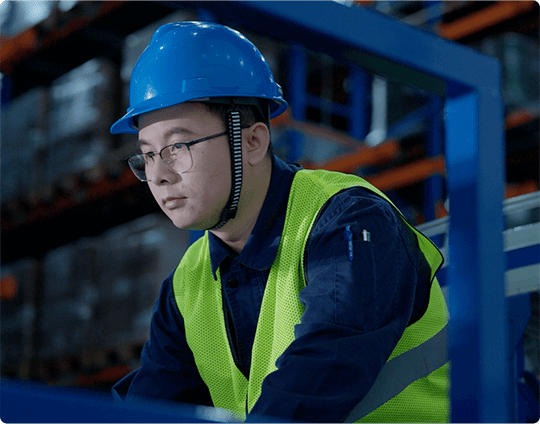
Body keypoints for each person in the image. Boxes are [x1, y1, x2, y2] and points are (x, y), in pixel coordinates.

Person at [110, 21, 449, 423]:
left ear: (252, 141)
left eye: (177, 146)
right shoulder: (187, 285)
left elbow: (318, 374)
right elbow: (153, 405)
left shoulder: (349, 222)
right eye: (147, 156)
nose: (159, 175)